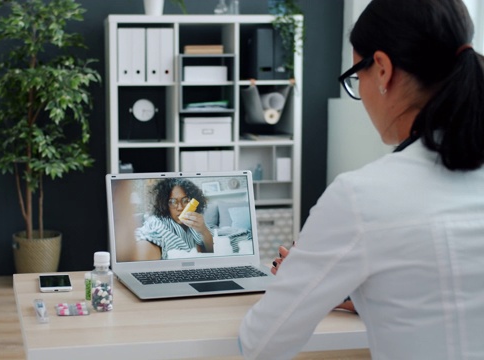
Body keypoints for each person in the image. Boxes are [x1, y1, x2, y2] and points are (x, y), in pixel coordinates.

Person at [239, 0, 484, 359]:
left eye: (357, 76)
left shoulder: (362, 197)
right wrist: (370, 292)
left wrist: (304, 281)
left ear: (382, 69)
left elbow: (260, 344)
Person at [134, 178, 214, 259]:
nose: (180, 207)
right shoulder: (158, 224)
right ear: (164, 204)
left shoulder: (197, 221)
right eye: (172, 202)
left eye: (186, 200)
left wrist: (204, 230)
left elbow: (211, 251)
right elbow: (150, 238)